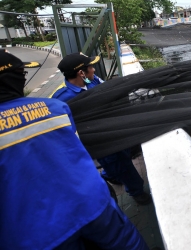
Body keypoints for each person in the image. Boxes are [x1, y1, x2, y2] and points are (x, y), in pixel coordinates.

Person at [0, 50, 149, 250]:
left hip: (38, 232)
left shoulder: (86, 86)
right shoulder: (57, 105)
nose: (94, 69)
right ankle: (131, 187)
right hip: (89, 200)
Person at [52, 52, 152, 205]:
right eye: (91, 67)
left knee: (121, 157)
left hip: (113, 128)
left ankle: (110, 173)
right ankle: (136, 191)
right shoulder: (61, 99)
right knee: (121, 164)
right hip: (99, 140)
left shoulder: (92, 81)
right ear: (80, 72)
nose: (94, 70)